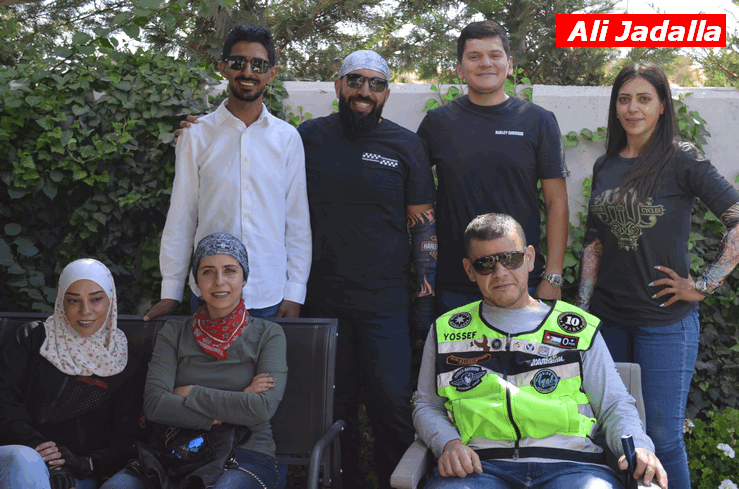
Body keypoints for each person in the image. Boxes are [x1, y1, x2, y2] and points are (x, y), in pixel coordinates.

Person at [414, 213, 669, 489]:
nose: (500, 273)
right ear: (469, 269)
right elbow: (427, 405)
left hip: (574, 466)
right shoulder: (446, 330)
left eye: (510, 259)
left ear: (530, 258)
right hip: (479, 467)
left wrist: (639, 446)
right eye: (485, 263)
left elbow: (614, 404)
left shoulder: (576, 328)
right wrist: (449, 443)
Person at [576, 62, 739, 489]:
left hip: (665, 323)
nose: (633, 108)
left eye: (644, 98)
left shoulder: (681, 158)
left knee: (664, 438)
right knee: (616, 436)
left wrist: (702, 285)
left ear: (663, 105)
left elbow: (737, 220)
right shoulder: (606, 166)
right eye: (624, 99)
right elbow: (594, 243)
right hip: (609, 320)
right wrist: (582, 310)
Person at [297, 50, 437, 489]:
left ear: (387, 94)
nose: (364, 91)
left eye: (376, 84)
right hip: (322, 301)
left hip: (386, 305)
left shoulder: (406, 145)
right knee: (332, 410)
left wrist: (424, 302)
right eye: (355, 80)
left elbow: (424, 228)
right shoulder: (307, 137)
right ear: (338, 85)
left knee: (392, 407)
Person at [146, 24, 311, 321]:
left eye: (259, 65)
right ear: (223, 68)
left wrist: (295, 292)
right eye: (238, 62)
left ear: (272, 73)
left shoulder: (287, 139)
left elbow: (296, 221)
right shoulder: (197, 135)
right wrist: (171, 290)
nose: (248, 72)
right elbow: (182, 216)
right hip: (210, 293)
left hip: (269, 295)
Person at [103, 232, 287, 489]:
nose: (219, 281)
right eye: (208, 271)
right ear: (197, 281)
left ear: (244, 278)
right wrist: (232, 408)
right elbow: (155, 404)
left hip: (244, 453)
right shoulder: (174, 332)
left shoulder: (268, 334)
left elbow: (261, 408)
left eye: (230, 271)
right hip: (174, 450)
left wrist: (190, 392)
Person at [417, 20, 569, 314]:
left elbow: (557, 202)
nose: (485, 63)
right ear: (460, 69)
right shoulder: (437, 123)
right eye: (474, 56)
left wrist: (553, 275)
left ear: (509, 64)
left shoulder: (538, 121)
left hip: (521, 280)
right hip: (457, 283)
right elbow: (419, 203)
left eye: (495, 55)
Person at [0, 258, 141, 489]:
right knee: (25, 460)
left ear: (111, 301)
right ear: (61, 302)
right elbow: (4, 402)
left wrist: (81, 463)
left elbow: (126, 440)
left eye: (96, 299)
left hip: (77, 472)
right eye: (74, 300)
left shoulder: (124, 362)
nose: (85, 311)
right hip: (18, 454)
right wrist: (43, 453)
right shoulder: (32, 339)